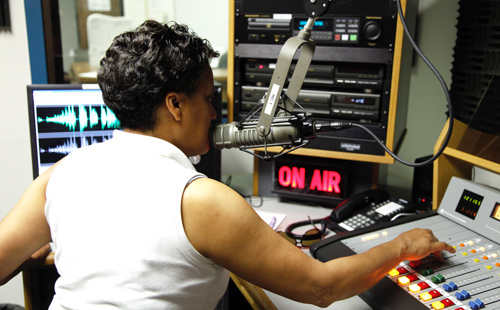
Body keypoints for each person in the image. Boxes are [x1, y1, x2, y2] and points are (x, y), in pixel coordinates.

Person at [0, 20, 455, 309]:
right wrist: (403, 246)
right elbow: (321, 288)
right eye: (207, 99)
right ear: (175, 105)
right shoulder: (203, 200)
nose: (216, 113)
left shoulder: (58, 176)